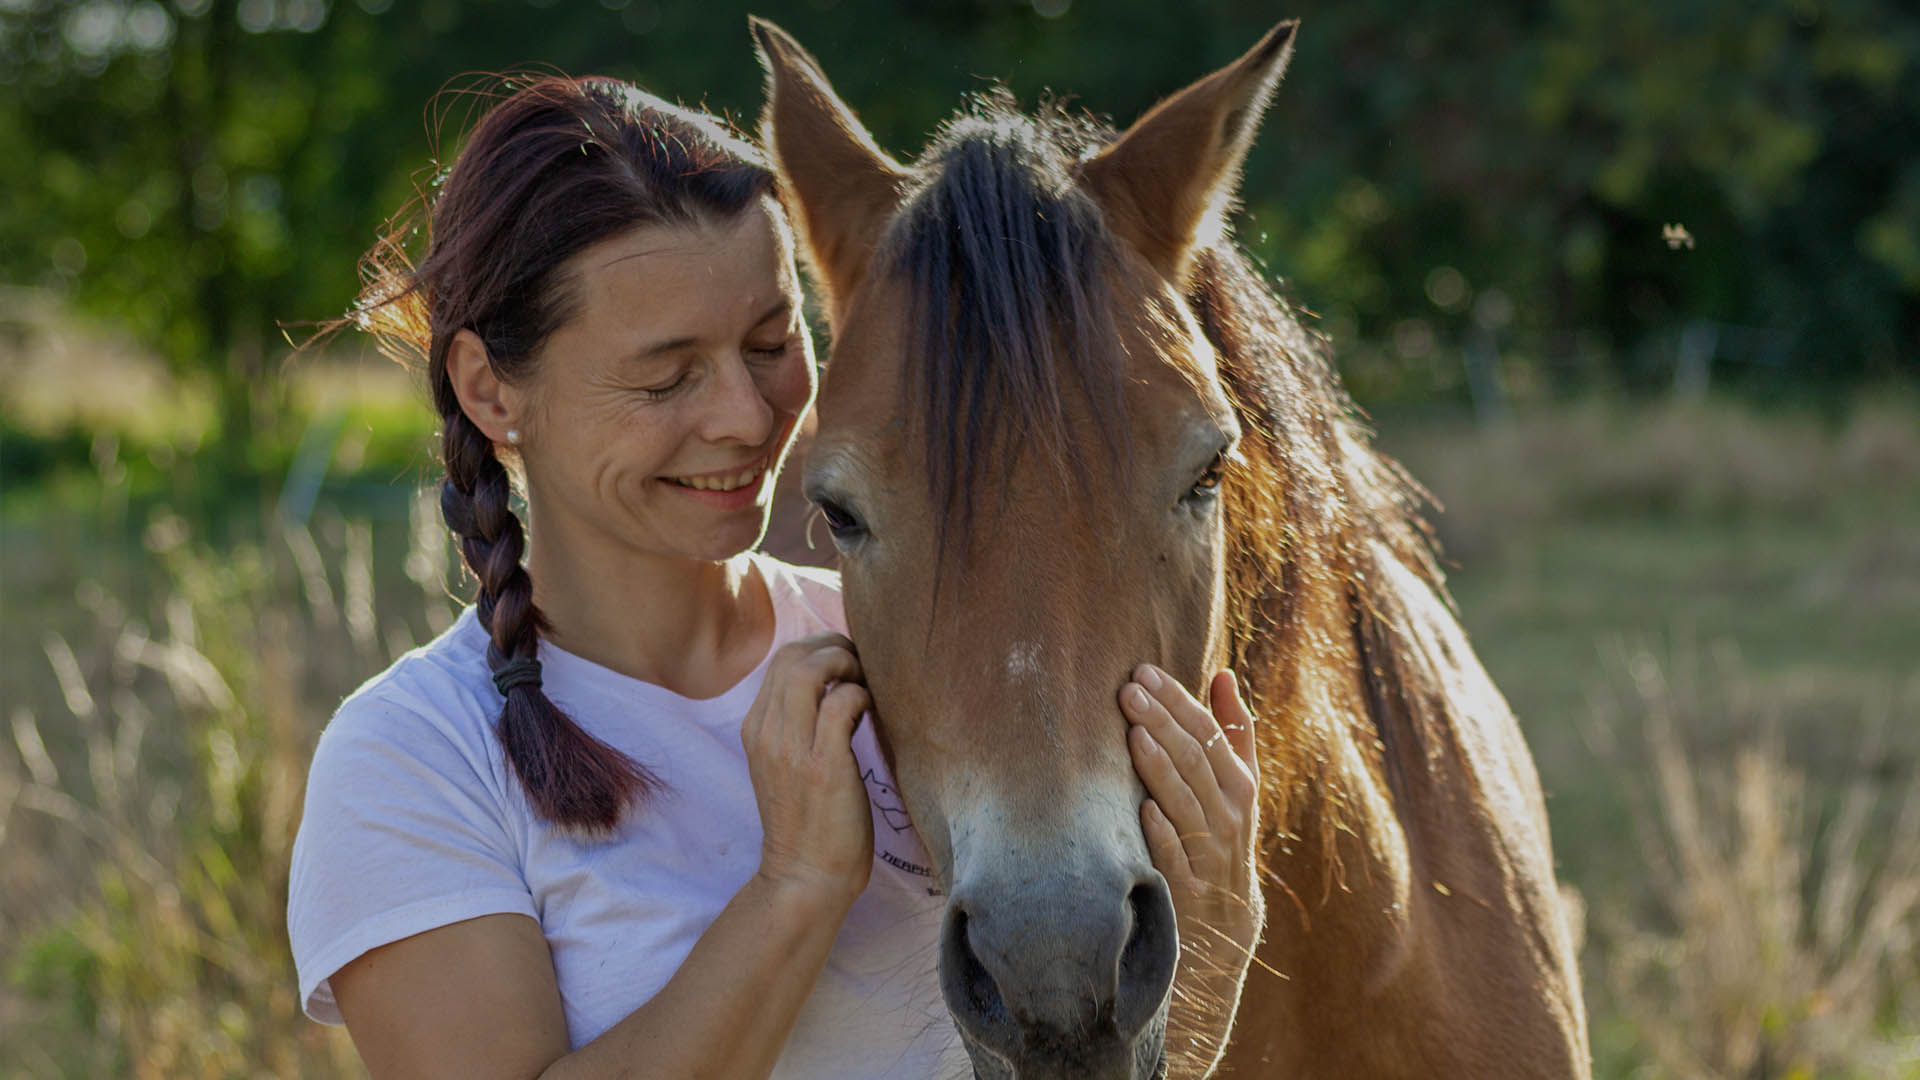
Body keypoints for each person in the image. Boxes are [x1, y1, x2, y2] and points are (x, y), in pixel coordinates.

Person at [287, 71, 1262, 1079]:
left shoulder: (919, 650)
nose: (750, 421)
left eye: (771, 343)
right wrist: (795, 888)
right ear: (492, 390)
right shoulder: (410, 759)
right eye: (667, 375)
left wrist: (1205, 965)